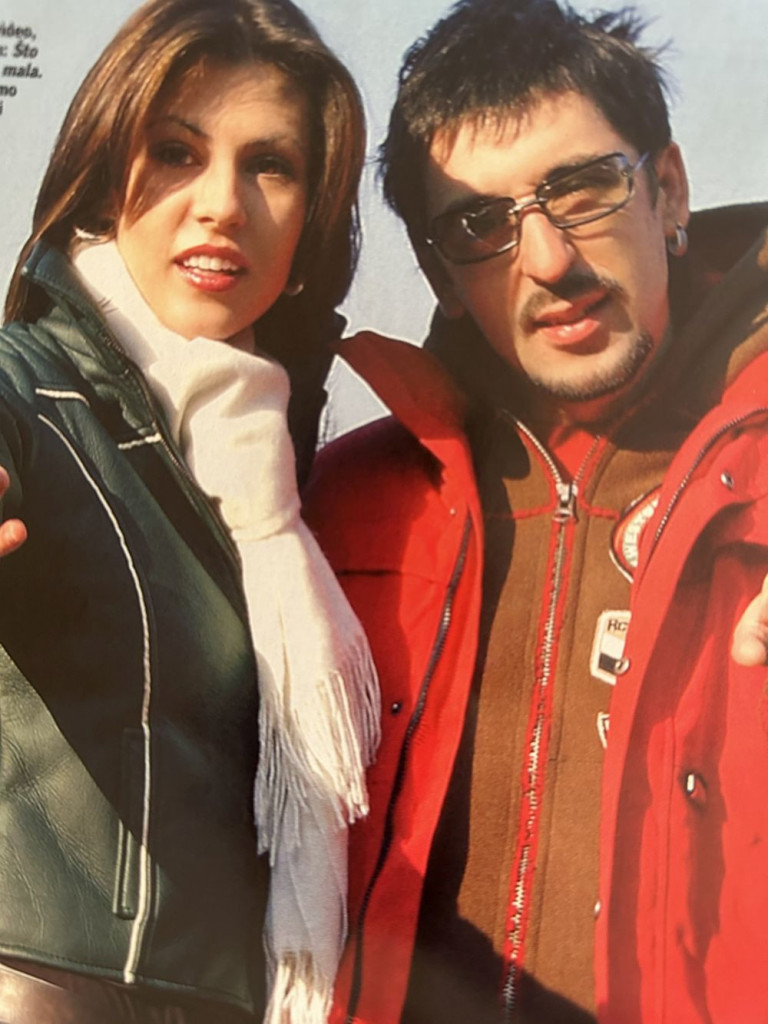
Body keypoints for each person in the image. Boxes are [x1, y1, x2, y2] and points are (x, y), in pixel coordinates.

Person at [303, 1, 768, 1021]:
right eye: (482, 225)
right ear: (441, 276)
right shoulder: (338, 509)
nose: (550, 260)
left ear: (669, 190)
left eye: (585, 188)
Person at [0, 0, 378, 1021]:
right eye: (175, 152)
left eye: (271, 166)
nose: (222, 205)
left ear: (309, 224)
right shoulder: (28, 389)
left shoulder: (275, 486)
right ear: (100, 176)